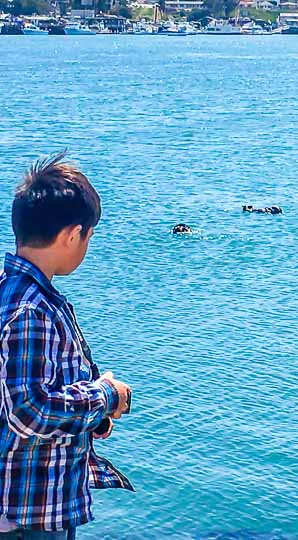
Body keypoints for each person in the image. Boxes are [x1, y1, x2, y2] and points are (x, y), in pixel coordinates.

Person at [0, 152, 133, 540]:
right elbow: (29, 410)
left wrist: (91, 419)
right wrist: (106, 395)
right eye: (89, 236)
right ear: (72, 234)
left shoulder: (11, 290)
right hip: (29, 514)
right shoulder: (32, 310)